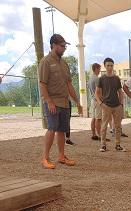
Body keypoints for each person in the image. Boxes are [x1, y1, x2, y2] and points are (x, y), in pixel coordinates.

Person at [39, 34, 82, 169]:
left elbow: (69, 84)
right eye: (62, 46)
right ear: (54, 46)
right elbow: (42, 84)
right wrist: (49, 101)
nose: (64, 48)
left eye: (65, 46)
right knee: (52, 128)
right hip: (52, 102)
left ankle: (61, 156)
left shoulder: (64, 63)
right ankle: (45, 158)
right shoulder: (45, 61)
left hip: (64, 102)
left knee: (62, 130)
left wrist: (77, 102)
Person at [95, 57, 126, 152]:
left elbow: (120, 92)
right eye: (108, 65)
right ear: (104, 66)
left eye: (111, 65)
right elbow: (97, 93)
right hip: (106, 105)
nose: (110, 67)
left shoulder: (116, 78)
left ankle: (118, 145)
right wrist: (101, 103)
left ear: (113, 66)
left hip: (117, 105)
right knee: (104, 126)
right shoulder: (101, 79)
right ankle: (103, 145)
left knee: (118, 126)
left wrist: (121, 103)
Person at [88, 63, 102, 141]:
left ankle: (94, 134)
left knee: (93, 118)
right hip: (97, 100)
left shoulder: (90, 78)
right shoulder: (97, 79)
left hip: (92, 100)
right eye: (99, 69)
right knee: (98, 119)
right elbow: (98, 91)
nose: (99, 71)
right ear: (96, 69)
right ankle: (100, 135)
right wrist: (102, 100)